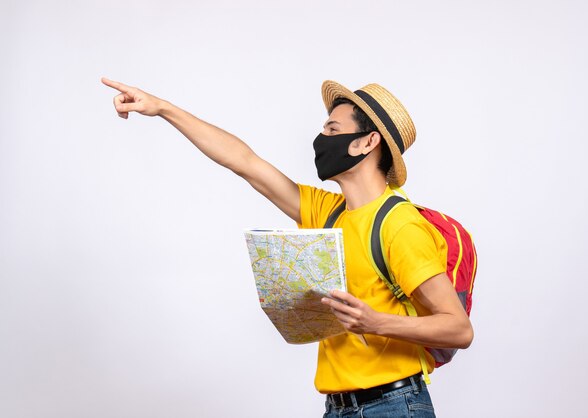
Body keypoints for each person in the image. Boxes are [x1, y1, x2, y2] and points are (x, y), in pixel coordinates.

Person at [102, 77, 474, 417]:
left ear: (367, 142)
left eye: (333, 129)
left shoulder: (398, 224)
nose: (321, 139)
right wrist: (163, 108)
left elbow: (459, 330)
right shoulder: (327, 212)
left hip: (394, 406)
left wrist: (374, 322)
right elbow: (243, 162)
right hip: (338, 408)